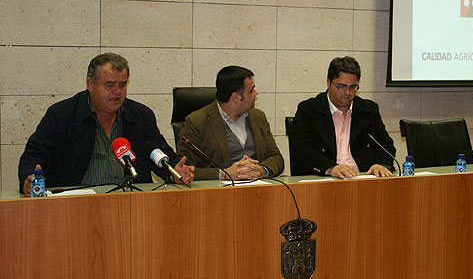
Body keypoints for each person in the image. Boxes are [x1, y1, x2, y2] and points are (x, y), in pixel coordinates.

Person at [18, 53, 195, 196]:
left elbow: (159, 153)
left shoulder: (140, 116)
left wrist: (175, 171)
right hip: (77, 204)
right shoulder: (62, 115)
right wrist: (30, 178)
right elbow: (34, 156)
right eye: (110, 85)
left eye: (122, 85)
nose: (117, 92)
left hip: (132, 202)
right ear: (90, 84)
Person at [289, 56, 396, 179]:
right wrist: (330, 168)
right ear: (329, 83)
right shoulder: (309, 109)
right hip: (324, 178)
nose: (348, 92)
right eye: (342, 86)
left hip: (362, 178)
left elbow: (386, 145)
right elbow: (300, 149)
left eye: (353, 87)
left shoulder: (368, 110)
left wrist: (380, 164)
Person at [177, 65, 284, 180]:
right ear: (236, 97)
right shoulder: (197, 122)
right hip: (220, 190)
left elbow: (276, 158)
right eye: (251, 90)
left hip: (258, 187)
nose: (256, 93)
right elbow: (183, 170)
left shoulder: (258, 117)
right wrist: (223, 174)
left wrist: (261, 170)